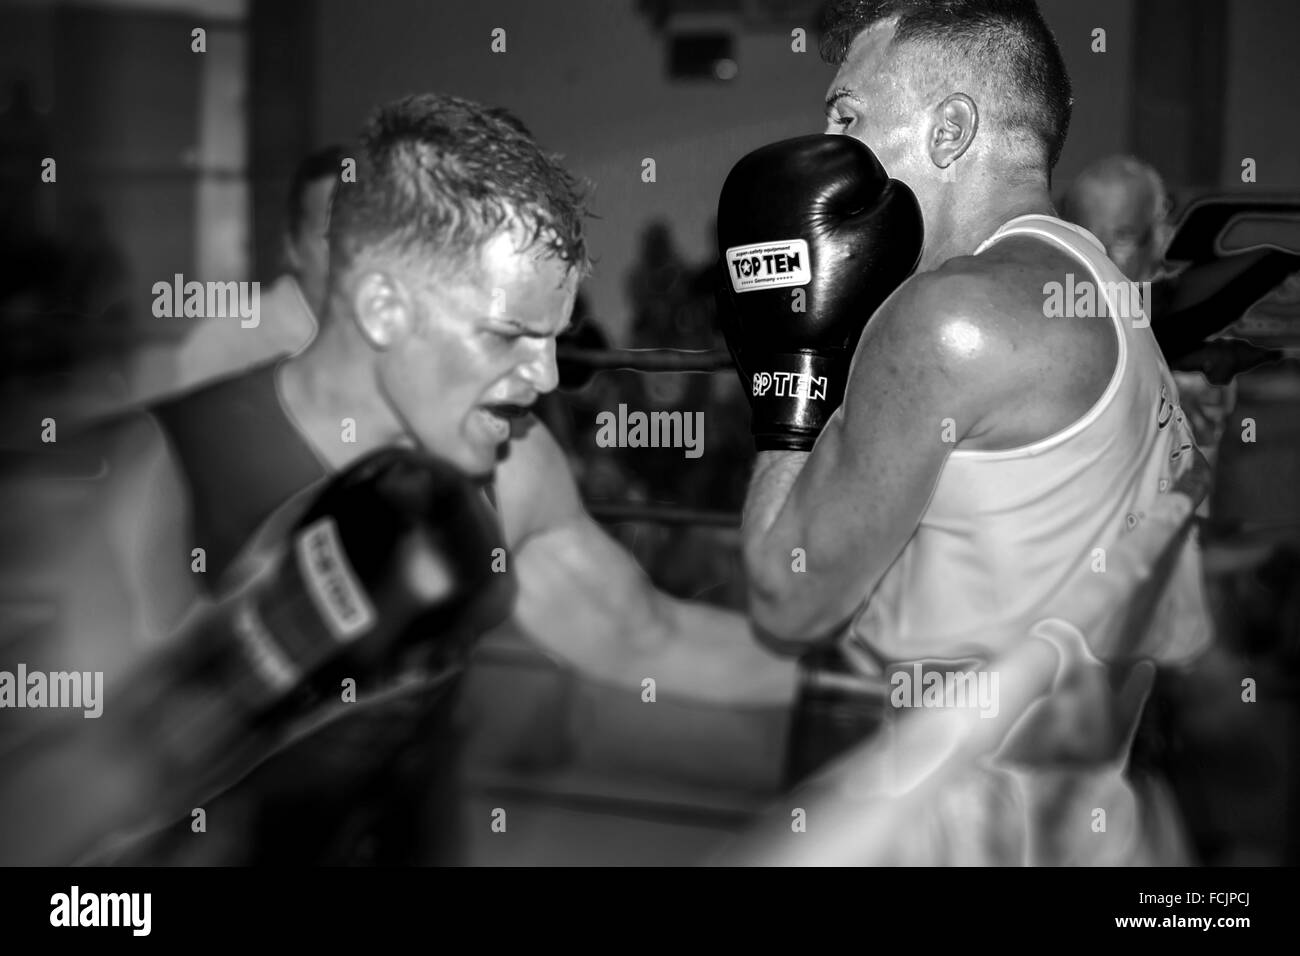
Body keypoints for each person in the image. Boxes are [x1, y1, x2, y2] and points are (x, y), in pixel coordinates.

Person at [9, 93, 798, 864]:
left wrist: (870, 666)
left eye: (555, 338)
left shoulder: (511, 465)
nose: (547, 377)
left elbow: (639, 634)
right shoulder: (179, 467)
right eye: (510, 334)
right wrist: (240, 672)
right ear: (385, 307)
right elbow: (44, 813)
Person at [718, 0, 1212, 864]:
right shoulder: (1106, 297)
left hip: (968, 830)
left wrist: (788, 363)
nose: (825, 149)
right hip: (1082, 816)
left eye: (848, 118)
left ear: (949, 130)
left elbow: (784, 597)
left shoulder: (950, 319)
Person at [169, 146, 341, 389]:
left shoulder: (395, 342)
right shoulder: (224, 346)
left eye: (367, 236)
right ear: (292, 247)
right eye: (331, 237)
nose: (351, 253)